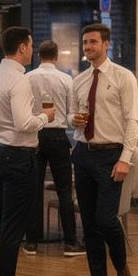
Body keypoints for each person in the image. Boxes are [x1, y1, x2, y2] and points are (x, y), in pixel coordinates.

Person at [0, 26, 53, 276]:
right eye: (30, 45)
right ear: (22, 47)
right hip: (17, 155)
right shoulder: (18, 80)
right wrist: (45, 117)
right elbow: (24, 123)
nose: (32, 50)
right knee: (12, 229)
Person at [69, 24, 138, 276]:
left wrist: (125, 158)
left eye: (93, 42)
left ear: (106, 44)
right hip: (83, 153)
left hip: (111, 155)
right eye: (85, 43)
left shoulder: (124, 77)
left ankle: (122, 267)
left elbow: (133, 121)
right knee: (88, 225)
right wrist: (74, 121)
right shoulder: (80, 80)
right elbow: (73, 118)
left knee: (106, 219)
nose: (88, 47)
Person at [23, 40, 84, 256]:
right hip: (58, 137)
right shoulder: (67, 79)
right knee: (64, 189)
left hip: (34, 135)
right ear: (56, 56)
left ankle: (31, 241)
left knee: (33, 189)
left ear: (39, 55)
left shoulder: (27, 78)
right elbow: (70, 115)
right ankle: (70, 242)